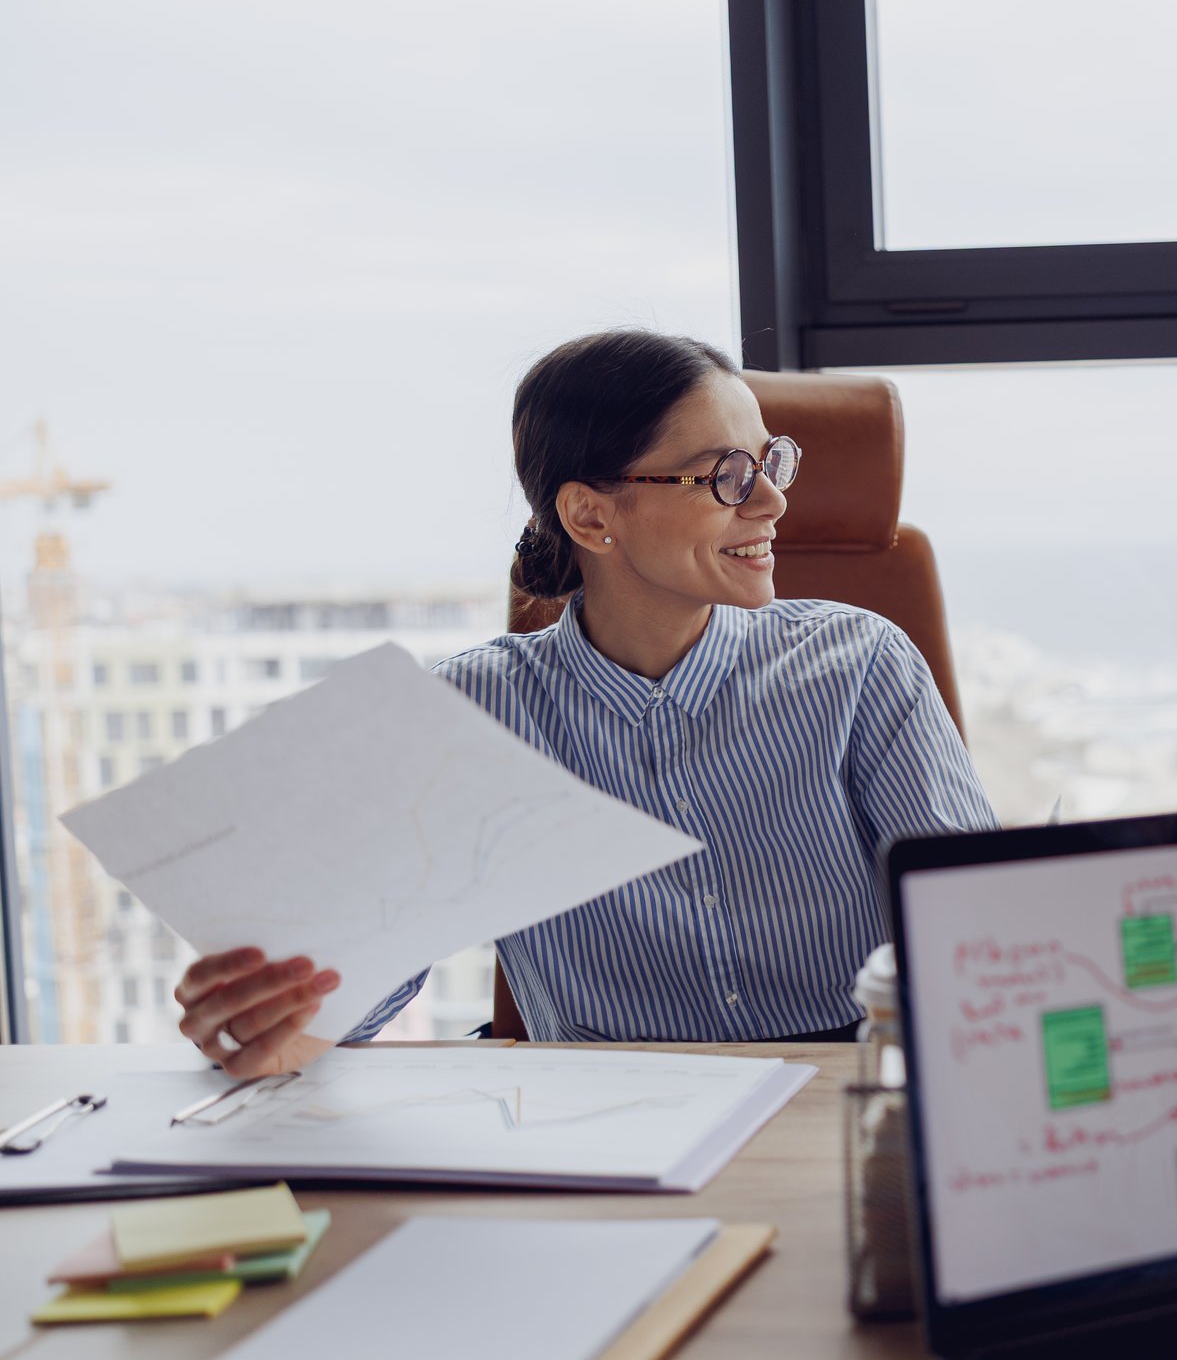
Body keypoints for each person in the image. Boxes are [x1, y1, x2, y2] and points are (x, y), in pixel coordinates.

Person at [172, 330, 996, 1075]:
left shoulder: (861, 666)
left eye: (771, 461)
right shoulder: (471, 712)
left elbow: (977, 934)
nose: (773, 503)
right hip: (602, 1114)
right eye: (727, 476)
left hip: (850, 1092)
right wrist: (273, 1009)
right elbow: (352, 993)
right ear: (591, 516)